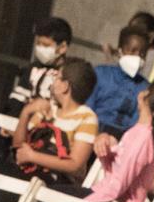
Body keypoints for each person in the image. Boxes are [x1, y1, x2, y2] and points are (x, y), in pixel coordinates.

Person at [10, 57, 98, 185]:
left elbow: (75, 165)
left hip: (58, 183)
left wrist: (33, 156)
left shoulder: (87, 117)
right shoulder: (47, 109)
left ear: (65, 86)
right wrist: (26, 112)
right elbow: (19, 147)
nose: (52, 82)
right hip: (28, 172)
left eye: (57, 77)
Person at [88, 24, 152, 137]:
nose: (137, 57)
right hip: (91, 132)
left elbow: (137, 123)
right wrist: (97, 135)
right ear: (120, 51)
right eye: (132, 51)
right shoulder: (101, 74)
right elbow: (87, 108)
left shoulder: (144, 87)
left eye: (142, 54)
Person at [15, 15, 71, 107]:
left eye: (46, 45)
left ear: (62, 47)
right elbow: (17, 99)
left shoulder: (68, 73)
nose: (40, 48)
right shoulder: (32, 68)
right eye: (38, 43)